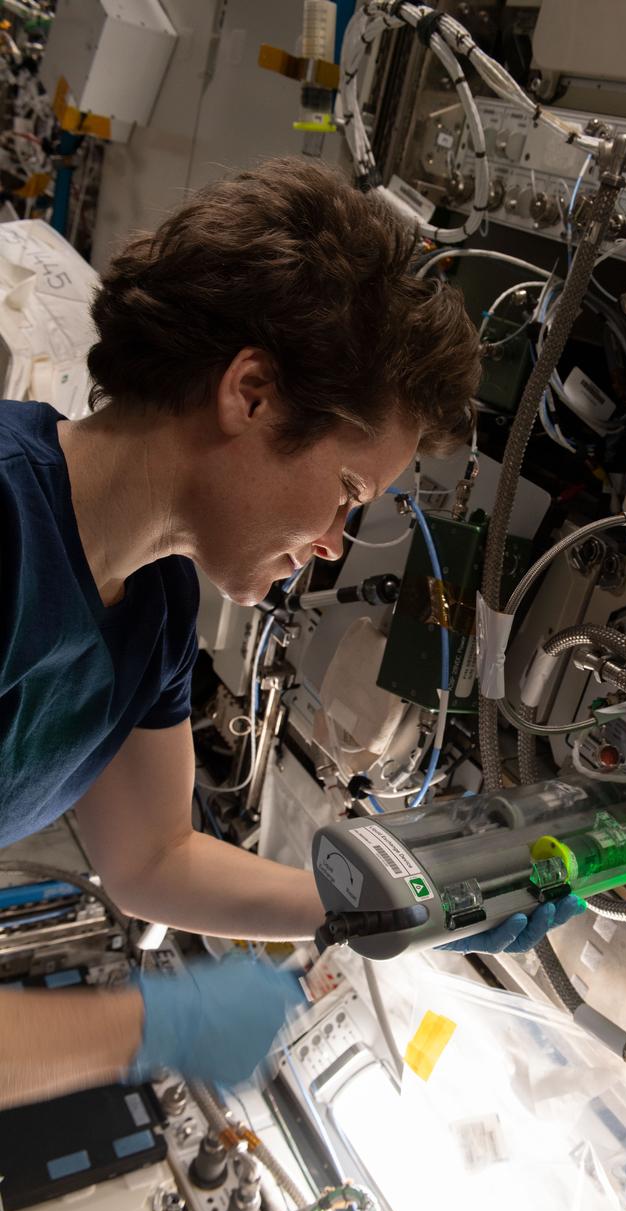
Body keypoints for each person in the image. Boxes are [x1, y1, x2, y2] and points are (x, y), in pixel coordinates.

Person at [0, 157, 583, 1110]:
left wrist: (392, 901)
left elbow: (151, 859)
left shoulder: (155, 607)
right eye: (347, 493)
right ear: (253, 392)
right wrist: (154, 1028)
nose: (328, 544)